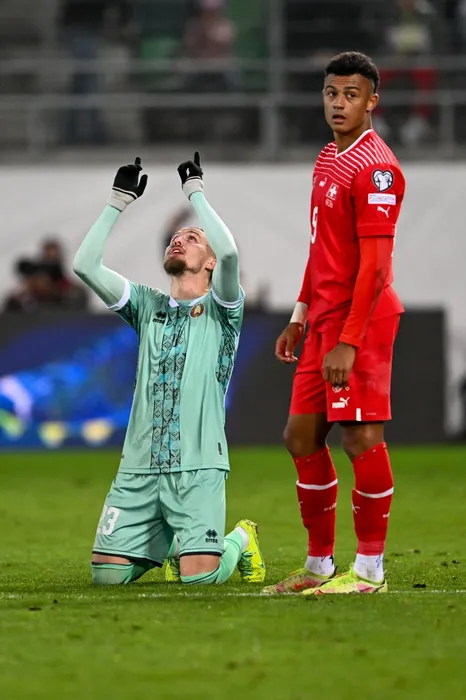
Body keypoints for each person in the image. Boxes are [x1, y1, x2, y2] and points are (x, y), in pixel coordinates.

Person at [73, 154, 265, 586]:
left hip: (198, 467)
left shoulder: (223, 311)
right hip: (138, 467)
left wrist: (194, 192)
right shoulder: (147, 305)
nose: (179, 241)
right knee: (106, 579)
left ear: (210, 263)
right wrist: (118, 201)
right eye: (175, 238)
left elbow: (230, 251)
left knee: (200, 582)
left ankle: (239, 539)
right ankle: (177, 545)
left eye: (193, 239)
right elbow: (84, 265)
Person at [262, 52, 405, 596]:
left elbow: (375, 268)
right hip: (321, 320)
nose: (338, 103)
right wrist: (300, 315)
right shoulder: (327, 158)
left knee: (361, 436)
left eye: (351, 94)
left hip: (359, 323)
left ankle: (369, 571)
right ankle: (318, 565)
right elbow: (321, 247)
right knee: (300, 436)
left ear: (372, 102)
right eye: (331, 93)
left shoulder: (378, 169)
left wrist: (348, 340)